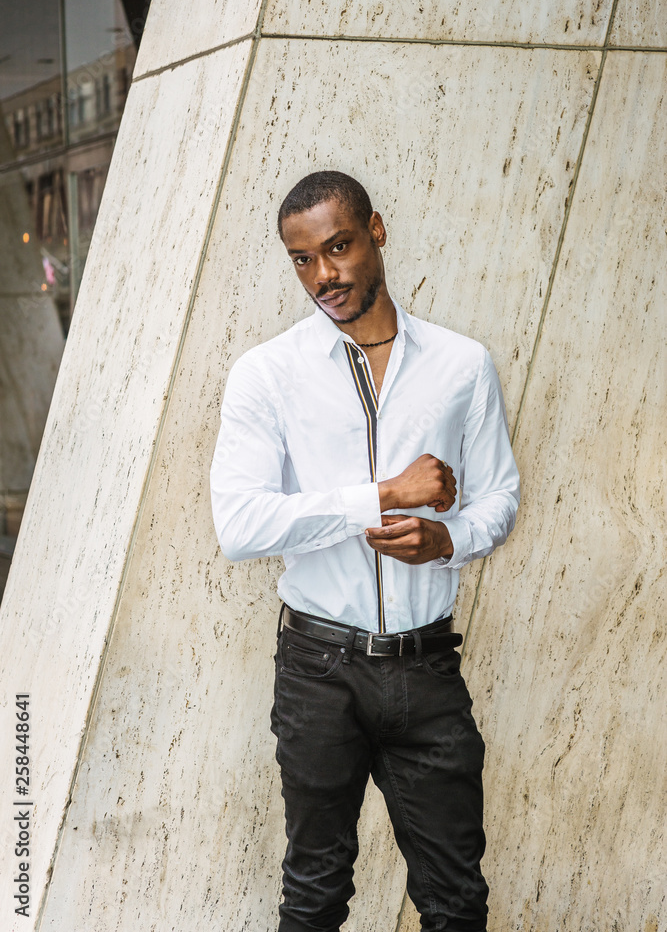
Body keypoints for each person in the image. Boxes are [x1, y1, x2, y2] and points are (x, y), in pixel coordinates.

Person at [210, 170, 520, 932]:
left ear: (376, 232)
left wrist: (449, 538)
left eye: (338, 247)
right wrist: (381, 495)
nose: (323, 275)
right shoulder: (266, 374)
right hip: (319, 672)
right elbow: (240, 525)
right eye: (303, 259)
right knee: (314, 897)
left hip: (426, 668)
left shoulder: (460, 363)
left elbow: (498, 500)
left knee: (456, 902)